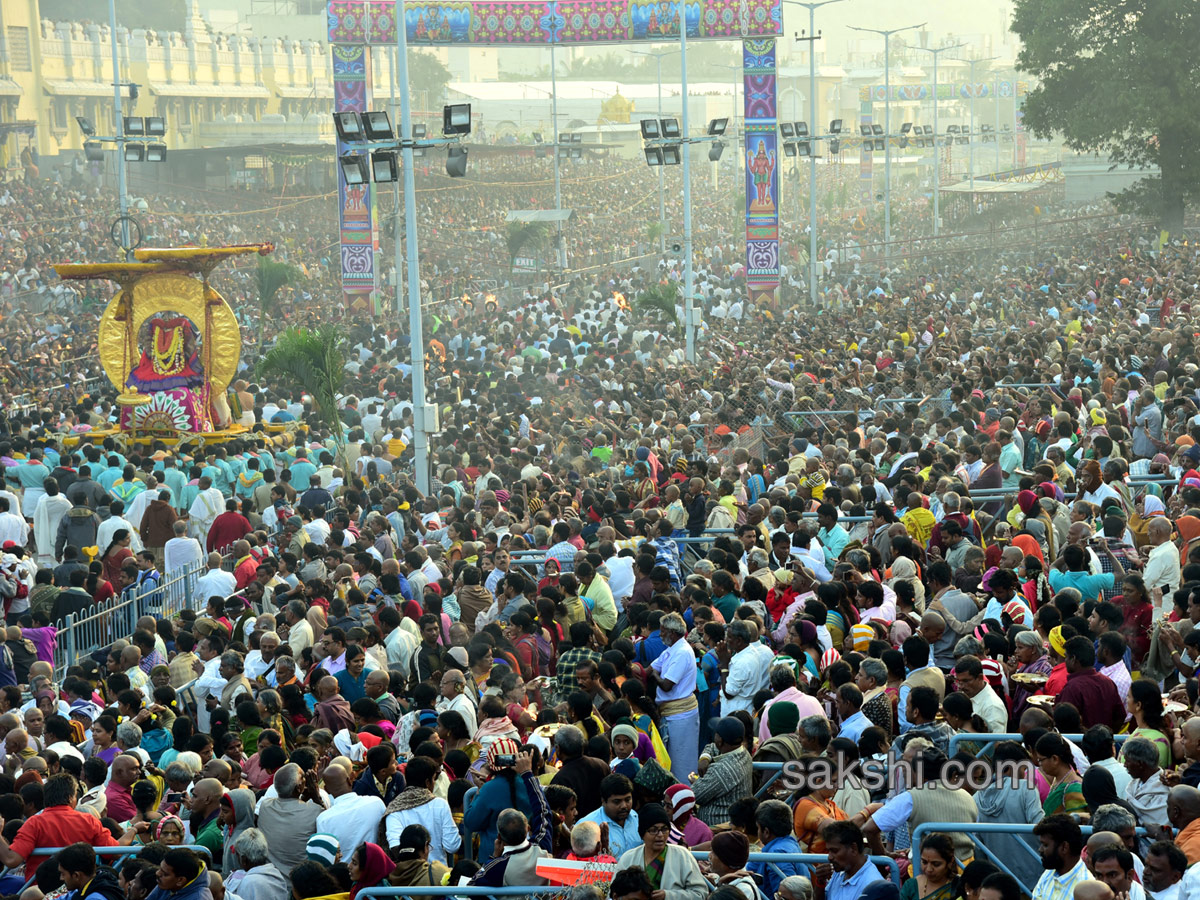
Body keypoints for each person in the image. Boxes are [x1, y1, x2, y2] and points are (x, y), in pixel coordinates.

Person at [613, 803, 708, 900]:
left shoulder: (682, 856)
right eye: (653, 830)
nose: (660, 835)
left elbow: (700, 894)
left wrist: (668, 896)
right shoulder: (628, 858)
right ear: (642, 833)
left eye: (664, 829)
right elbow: (613, 893)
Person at [817, 821, 884, 900]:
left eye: (834, 851)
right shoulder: (840, 871)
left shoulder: (872, 886)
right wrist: (820, 883)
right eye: (829, 851)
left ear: (853, 849)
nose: (830, 857)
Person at [1030, 815, 1089, 900]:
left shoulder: (1085, 887)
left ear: (1064, 847)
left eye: (1045, 845)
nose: (1040, 849)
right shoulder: (1048, 873)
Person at [901, 833, 959, 900]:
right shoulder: (911, 886)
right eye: (924, 862)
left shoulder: (958, 887)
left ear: (950, 862)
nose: (929, 869)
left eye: (936, 864)